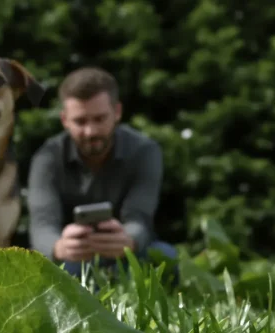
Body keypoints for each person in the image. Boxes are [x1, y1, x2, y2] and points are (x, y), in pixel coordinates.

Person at [26, 66, 178, 282]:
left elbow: (140, 217)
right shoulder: (47, 158)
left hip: (127, 254)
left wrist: (128, 240)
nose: (91, 131)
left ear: (117, 112)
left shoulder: (144, 151)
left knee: (167, 258)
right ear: (64, 120)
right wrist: (58, 247)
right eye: (80, 121)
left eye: (99, 119)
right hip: (72, 258)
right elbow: (42, 225)